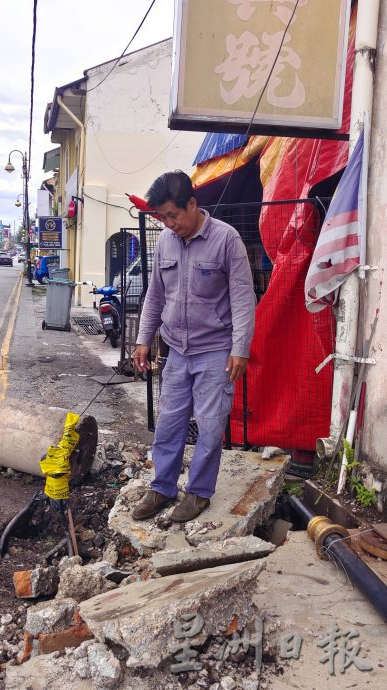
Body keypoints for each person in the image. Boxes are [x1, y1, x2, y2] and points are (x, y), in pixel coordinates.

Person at [132, 171, 255, 523]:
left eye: (174, 215)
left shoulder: (226, 240)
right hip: (176, 351)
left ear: (192, 204)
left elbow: (244, 298)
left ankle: (199, 493)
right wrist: (144, 338)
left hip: (216, 351)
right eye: (163, 218)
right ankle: (162, 487)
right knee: (169, 422)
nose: (170, 224)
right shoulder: (166, 242)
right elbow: (156, 294)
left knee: (210, 424)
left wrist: (240, 348)